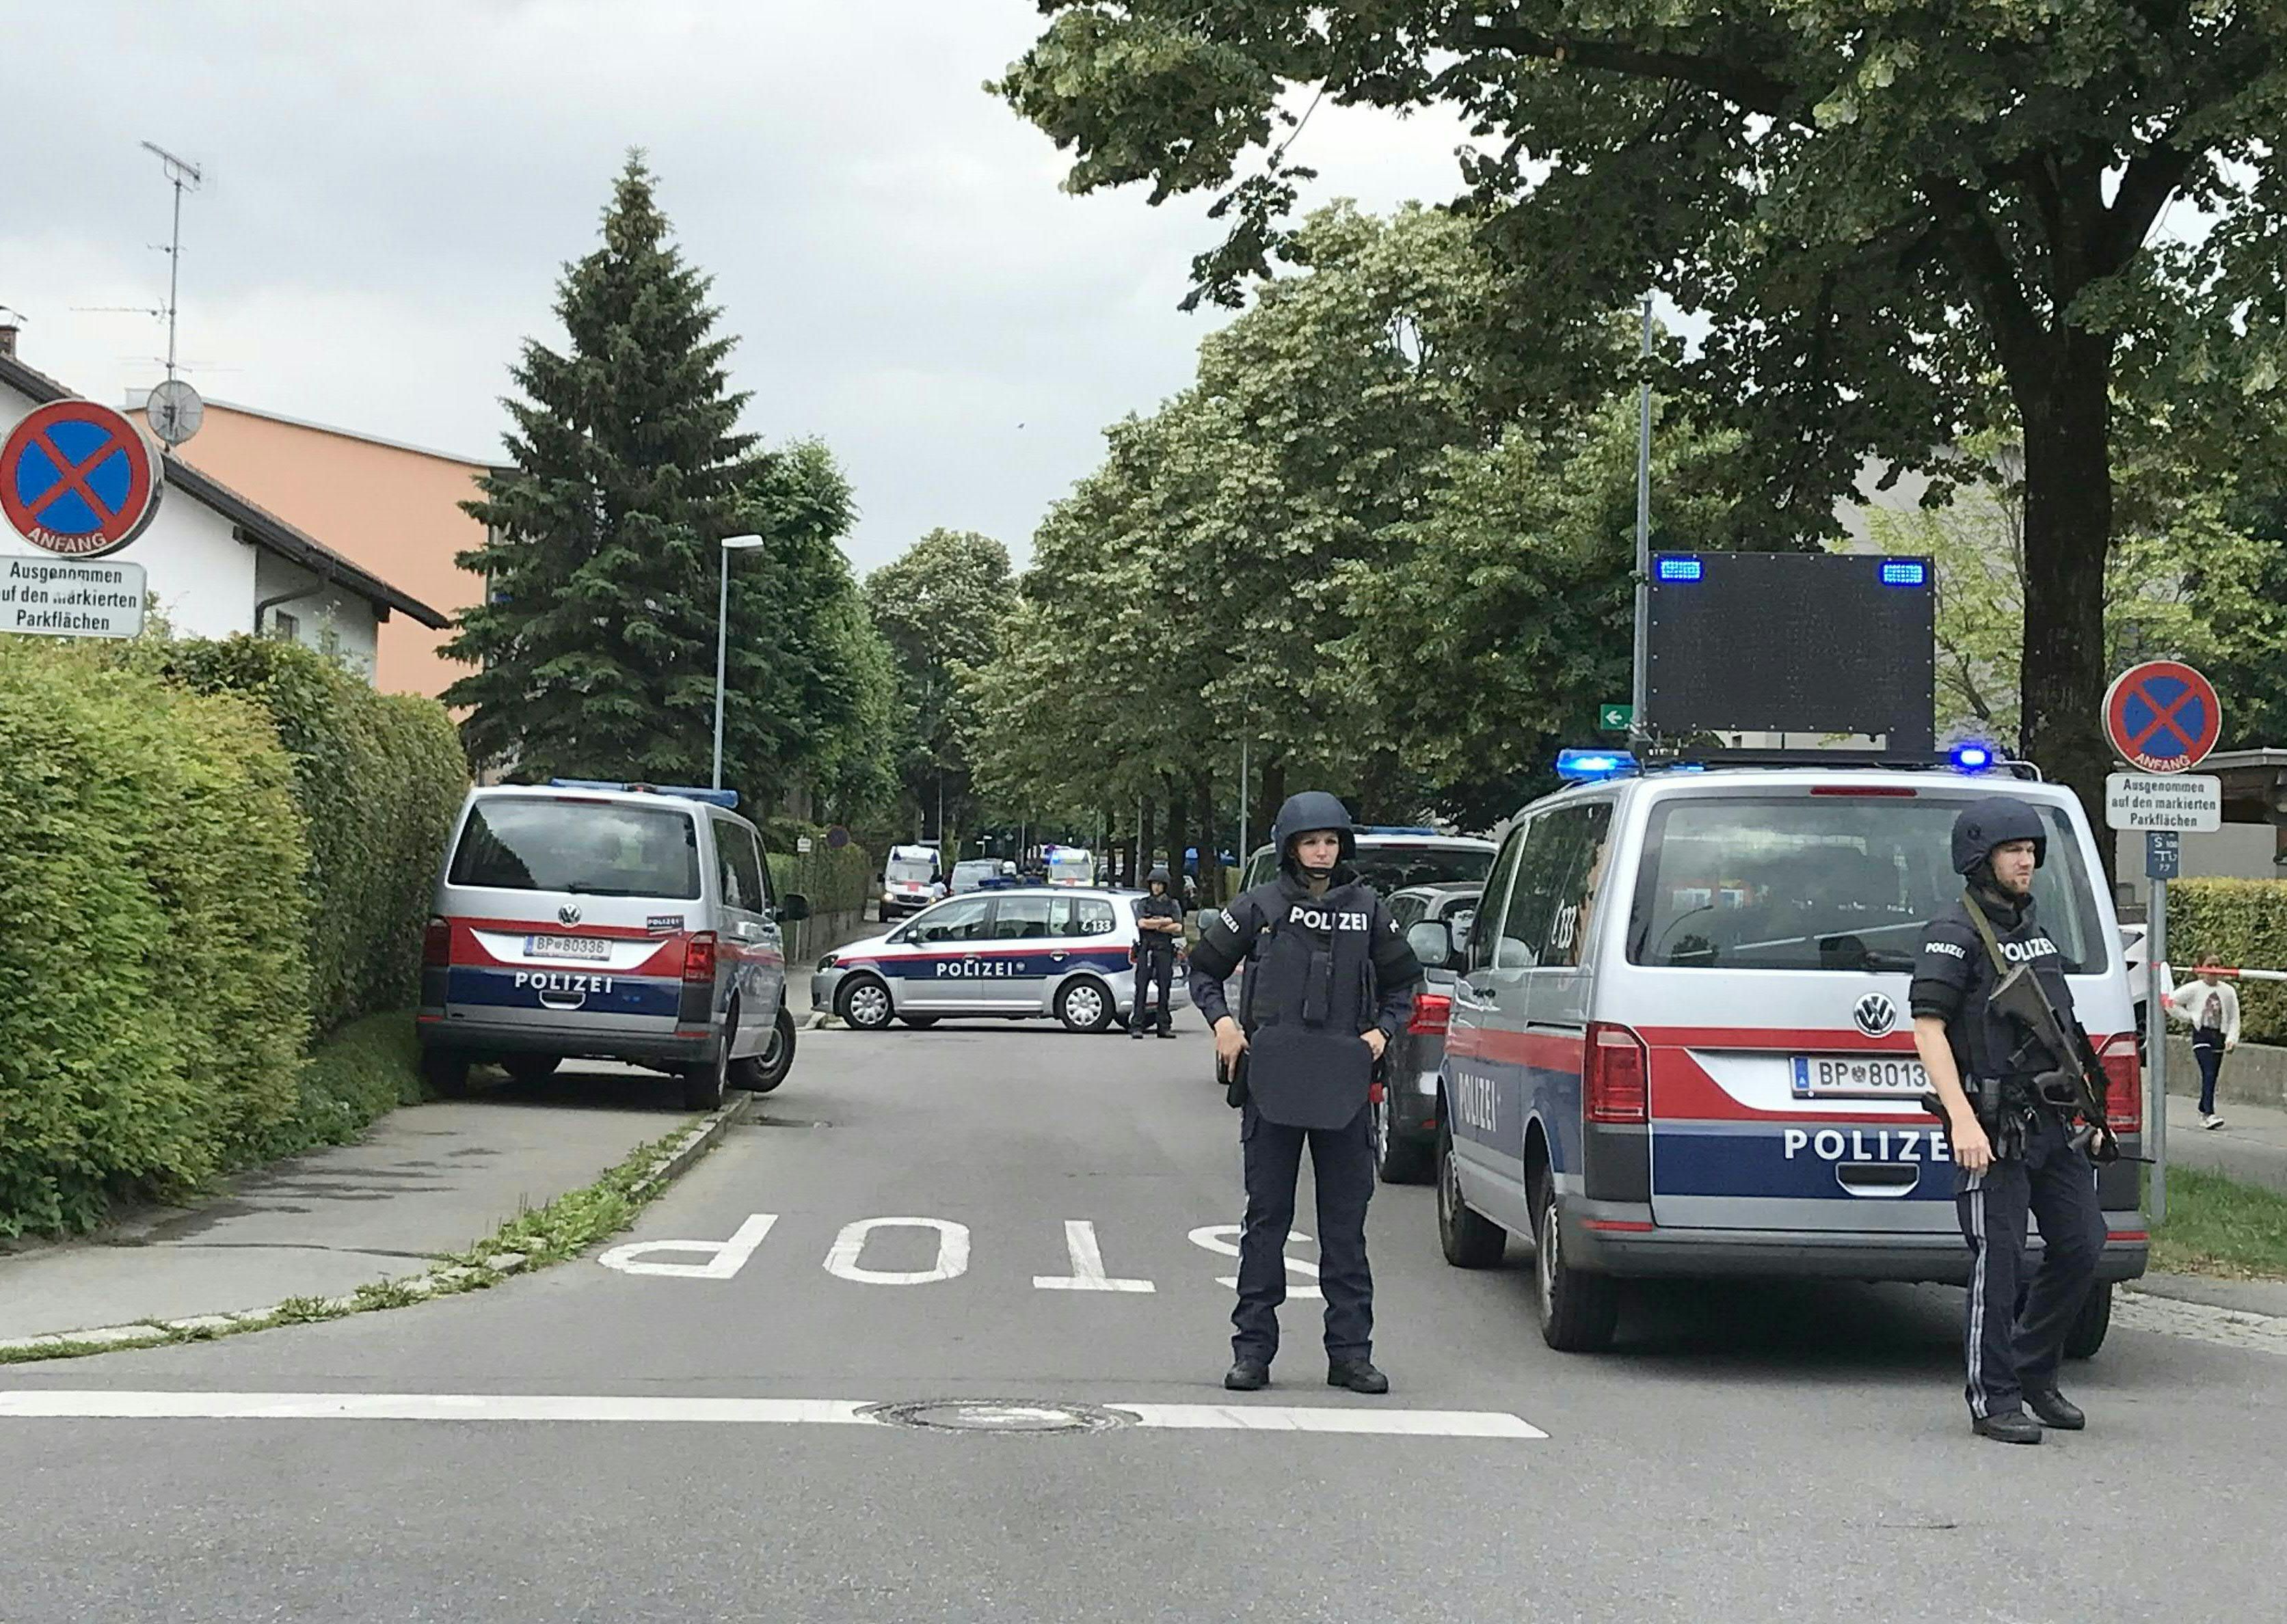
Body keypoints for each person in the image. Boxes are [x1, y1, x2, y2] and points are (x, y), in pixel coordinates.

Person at [1188, 791, 1423, 1395]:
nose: (1322, 852)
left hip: (1343, 1084)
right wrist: (1223, 1024)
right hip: (1273, 1083)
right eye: (1311, 842)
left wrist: (1381, 1033)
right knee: (1266, 1221)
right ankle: (1252, 1352)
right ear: (1290, 848)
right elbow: (1204, 968)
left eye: (1331, 841)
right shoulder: (1260, 906)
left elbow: (1405, 983)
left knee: (1345, 1228)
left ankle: (1350, 1355)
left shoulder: (1367, 910)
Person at [1910, 797, 2111, 1445]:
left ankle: (2032, 1371)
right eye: (2012, 851)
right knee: (1999, 1263)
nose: (2026, 861)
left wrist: (2091, 1109)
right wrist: (1962, 1120)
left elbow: (2062, 1028)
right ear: (1979, 858)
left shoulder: (2034, 930)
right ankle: (1993, 1397)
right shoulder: (1953, 933)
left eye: (2030, 850)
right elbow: (1928, 1030)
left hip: (2051, 1122)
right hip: (1992, 1126)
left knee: (2082, 1246)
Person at [2166, 964, 2241, 1130]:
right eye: (2209, 966)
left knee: (2212, 1076)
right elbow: (2170, 1002)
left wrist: (2232, 1039)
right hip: (2202, 1034)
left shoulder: (2228, 991)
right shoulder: (2194, 989)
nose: (2213, 970)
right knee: (2208, 1071)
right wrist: (2189, 1017)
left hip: (2219, 1036)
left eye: (2217, 966)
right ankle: (2209, 1113)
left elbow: (2234, 1017)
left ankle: (2202, 1109)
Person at [1130, 866, 1184, 1039]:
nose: (1156, 887)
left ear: (1165, 886)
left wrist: (1156, 924)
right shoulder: (1144, 903)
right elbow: (1142, 924)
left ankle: (1164, 1026)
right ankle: (1137, 1025)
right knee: (1141, 988)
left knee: (1164, 988)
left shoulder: (1172, 904)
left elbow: (1178, 926)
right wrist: (1165, 922)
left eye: (1159, 884)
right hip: (1146, 949)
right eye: (1154, 884)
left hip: (1164, 950)